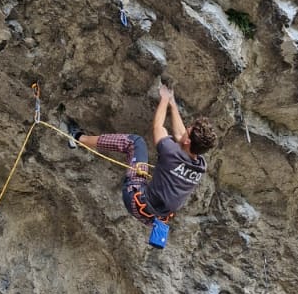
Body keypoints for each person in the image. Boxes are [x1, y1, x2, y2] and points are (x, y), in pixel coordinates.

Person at [66, 86, 216, 231]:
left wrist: (164, 98)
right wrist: (173, 104)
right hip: (155, 219)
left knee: (135, 142)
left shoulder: (171, 152)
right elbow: (180, 135)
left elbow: (158, 127)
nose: (185, 129)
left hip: (136, 201)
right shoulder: (200, 166)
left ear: (188, 141)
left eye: (188, 130)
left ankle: (79, 138)